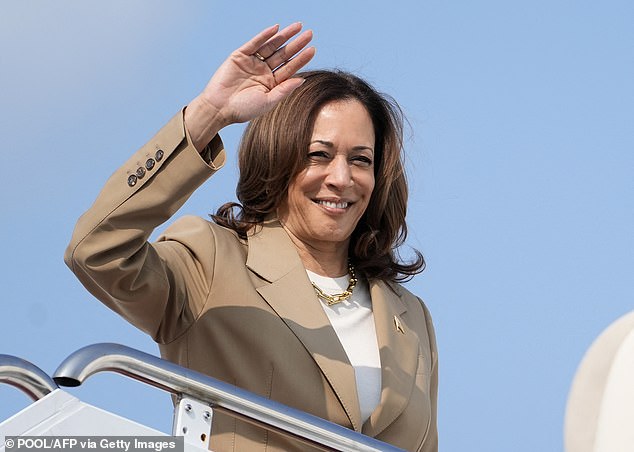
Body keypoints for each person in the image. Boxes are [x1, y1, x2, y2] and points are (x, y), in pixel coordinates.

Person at [65, 23, 438, 452]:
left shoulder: (410, 317)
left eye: (360, 160)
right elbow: (95, 250)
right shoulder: (210, 262)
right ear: (278, 156)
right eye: (319, 155)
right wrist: (209, 114)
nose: (341, 178)